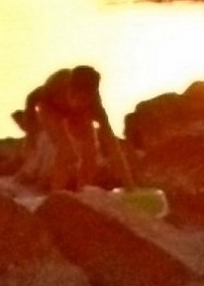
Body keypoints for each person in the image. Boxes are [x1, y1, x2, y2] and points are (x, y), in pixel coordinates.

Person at [16, 62, 131, 190]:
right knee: (67, 151)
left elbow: (113, 146)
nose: (79, 103)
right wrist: (30, 135)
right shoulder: (56, 84)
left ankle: (82, 190)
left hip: (76, 115)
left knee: (90, 154)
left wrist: (130, 186)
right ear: (69, 88)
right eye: (77, 98)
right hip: (51, 110)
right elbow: (31, 98)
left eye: (85, 99)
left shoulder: (94, 106)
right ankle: (57, 192)